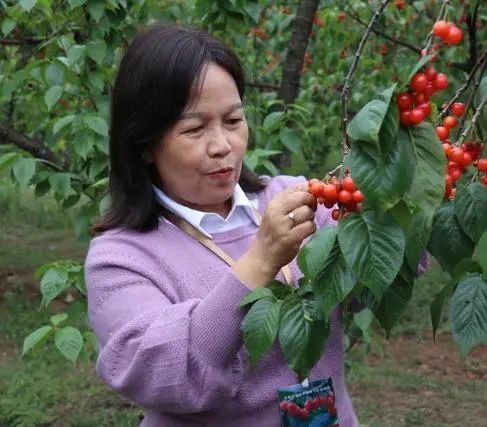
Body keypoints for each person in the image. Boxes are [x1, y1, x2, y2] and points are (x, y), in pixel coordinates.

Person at [84, 23, 361, 426]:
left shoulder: (298, 199)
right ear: (144, 145)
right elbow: (168, 375)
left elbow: (374, 280)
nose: (222, 145)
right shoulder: (120, 259)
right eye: (195, 129)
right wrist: (260, 260)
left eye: (233, 121)